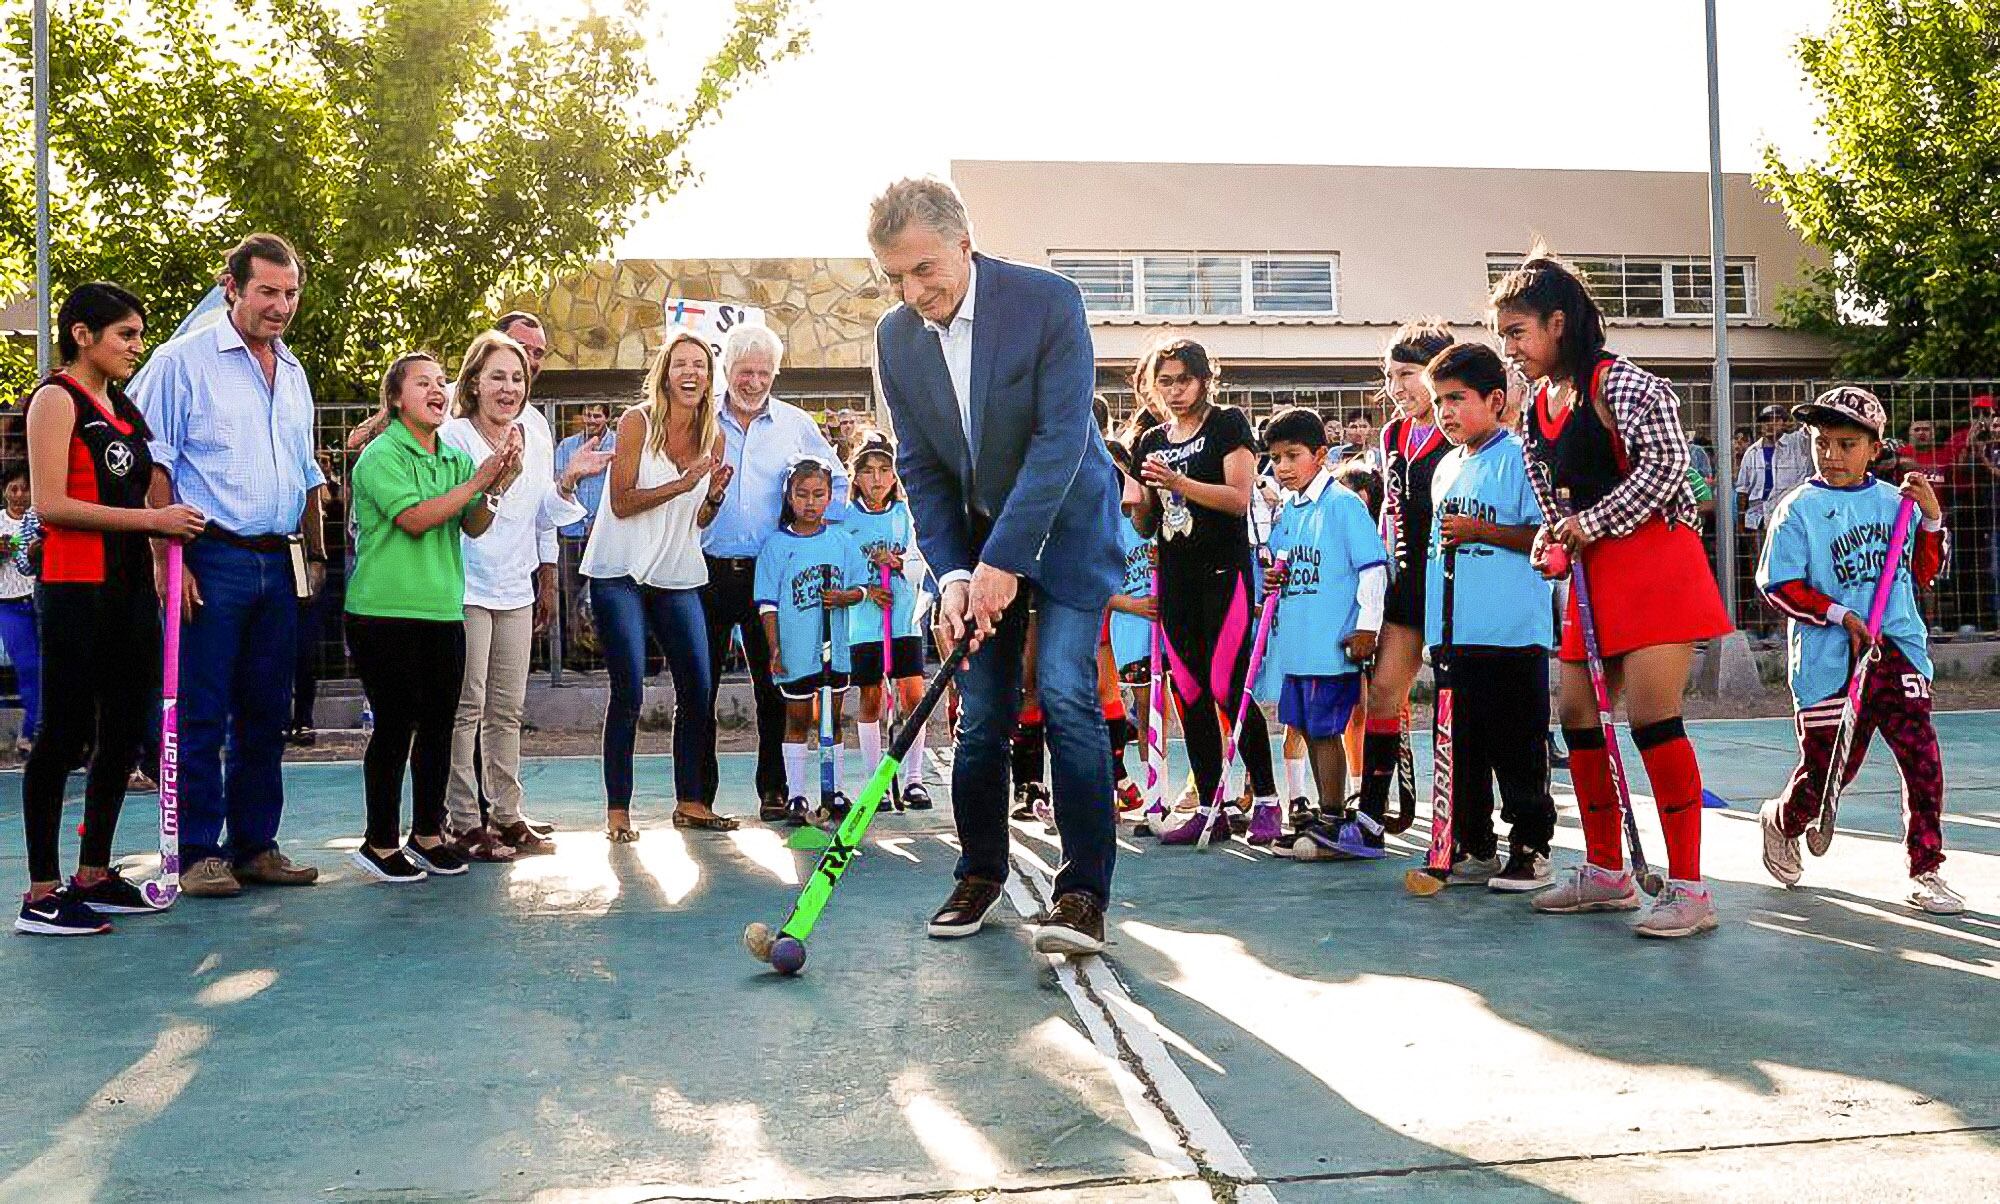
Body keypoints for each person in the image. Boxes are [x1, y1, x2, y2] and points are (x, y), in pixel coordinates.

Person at [870, 177, 1122, 956]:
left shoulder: (1049, 301)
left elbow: (1059, 439)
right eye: (895, 277)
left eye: (924, 270)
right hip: (976, 545)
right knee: (981, 714)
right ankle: (980, 872)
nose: (913, 293)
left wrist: (1007, 558)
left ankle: (1083, 895)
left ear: (964, 243)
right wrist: (952, 574)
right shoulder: (895, 338)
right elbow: (920, 464)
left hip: (1069, 527)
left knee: (1069, 694)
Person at [1495, 250, 1731, 938]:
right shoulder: (1536, 407)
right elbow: (1551, 500)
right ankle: (1606, 871)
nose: (1510, 349)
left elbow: (1669, 467)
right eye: (1503, 335)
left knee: (1655, 720)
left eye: (1518, 332)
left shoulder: (1621, 382)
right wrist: (1552, 538)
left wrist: (1587, 525)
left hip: (1656, 564)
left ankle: (1689, 888)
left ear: (1558, 322)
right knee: (1577, 718)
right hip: (1594, 575)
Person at [132, 234, 328, 898]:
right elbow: (154, 462)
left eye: (290, 293)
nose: (281, 305)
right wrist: (169, 559)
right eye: (267, 291)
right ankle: (196, 851)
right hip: (209, 558)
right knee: (200, 711)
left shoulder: (293, 372)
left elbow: (305, 472)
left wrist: (313, 555)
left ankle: (255, 846)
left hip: (278, 561)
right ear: (231, 287)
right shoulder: (180, 360)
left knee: (267, 713)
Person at [13, 283, 208, 935]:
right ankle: (42, 892)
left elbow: (147, 485)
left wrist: (162, 540)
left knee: (123, 731)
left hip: (126, 590)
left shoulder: (122, 408)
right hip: (75, 587)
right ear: (82, 335)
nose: (136, 346)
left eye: (139, 334)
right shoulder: (55, 399)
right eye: (125, 334)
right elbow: (51, 505)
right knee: (64, 732)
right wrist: (153, 521)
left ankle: (93, 873)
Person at [1755, 387, 1960, 914]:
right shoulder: (1798, 508)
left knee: (1922, 759)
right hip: (1829, 660)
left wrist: (1932, 520)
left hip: (1897, 648)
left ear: (1874, 448)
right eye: (1822, 442)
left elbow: (1924, 572)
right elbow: (1779, 584)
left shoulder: (1896, 504)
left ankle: (1926, 868)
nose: (1831, 455)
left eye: (1847, 445)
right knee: (1829, 773)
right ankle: (1783, 820)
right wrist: (1839, 615)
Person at [345, 352, 511, 883]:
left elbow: (473, 524)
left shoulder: (454, 459)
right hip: (383, 612)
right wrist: (479, 480)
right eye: (423, 383)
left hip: (442, 609)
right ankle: (379, 841)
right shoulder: (380, 456)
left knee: (439, 726)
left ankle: (427, 834)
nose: (438, 390)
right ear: (396, 399)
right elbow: (415, 519)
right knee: (396, 725)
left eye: (442, 382)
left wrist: (496, 487)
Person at [1128, 338, 1282, 846]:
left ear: (1204, 380)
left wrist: (1178, 482)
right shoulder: (1150, 440)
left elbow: (1238, 499)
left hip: (1223, 574)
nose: (1175, 391)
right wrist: (1139, 500)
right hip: (1177, 579)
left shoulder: (1227, 424)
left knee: (1227, 685)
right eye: (1165, 382)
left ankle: (1266, 798)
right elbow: (1147, 523)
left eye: (1184, 380)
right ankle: (1210, 806)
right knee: (1189, 691)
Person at [1414, 343, 1557, 890]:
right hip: (1456, 634)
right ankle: (1474, 844)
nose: (1445, 412)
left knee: (1517, 745)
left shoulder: (1522, 458)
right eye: (1438, 401)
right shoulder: (1445, 466)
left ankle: (1531, 847)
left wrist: (1483, 532)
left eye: (1457, 399)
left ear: (1496, 400)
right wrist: (1434, 628)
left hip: (1511, 633)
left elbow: (1546, 537)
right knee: (1462, 745)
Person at [581, 329, 733, 838]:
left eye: (700, 365)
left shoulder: (714, 436)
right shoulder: (636, 422)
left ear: (709, 379)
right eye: (681, 364)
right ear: (665, 374)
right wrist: (682, 483)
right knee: (629, 691)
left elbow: (697, 521)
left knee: (699, 688)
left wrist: (711, 497)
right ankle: (618, 812)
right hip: (619, 572)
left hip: (676, 572)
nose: (691, 372)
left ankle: (690, 802)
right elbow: (621, 502)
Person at [699, 322, 848, 822]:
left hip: (772, 577)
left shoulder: (795, 424)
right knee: (698, 688)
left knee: (776, 684)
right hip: (704, 571)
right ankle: (696, 797)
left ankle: (775, 789)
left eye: (764, 373)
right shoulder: (700, 419)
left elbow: (836, 483)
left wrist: (812, 534)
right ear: (727, 370)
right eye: (745, 372)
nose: (755, 382)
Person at [1253, 408, 1386, 858]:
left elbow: (1372, 569)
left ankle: (1333, 819)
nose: (1283, 467)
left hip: (1331, 644)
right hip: (1298, 642)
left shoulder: (1343, 505)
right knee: (1307, 727)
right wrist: (1274, 576)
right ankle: (1323, 813)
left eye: (1293, 455)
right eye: (1276, 458)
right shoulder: (1289, 509)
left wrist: (1367, 627)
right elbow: (1282, 561)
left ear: (1321, 454)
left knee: (1326, 729)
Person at [1354, 319, 1456, 842]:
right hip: (1406, 581)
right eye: (1390, 375)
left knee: (1455, 704)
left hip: (1455, 582)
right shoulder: (1392, 433)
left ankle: (1461, 822)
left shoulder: (1461, 428)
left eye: (1408, 374)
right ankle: (1371, 815)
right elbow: (1390, 512)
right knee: (1383, 694)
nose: (1396, 387)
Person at [756, 457, 866, 821]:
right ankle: (797, 795)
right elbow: (768, 604)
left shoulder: (842, 541)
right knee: (798, 719)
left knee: (831, 720)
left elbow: (863, 588)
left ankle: (833, 791)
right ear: (789, 497)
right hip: (797, 648)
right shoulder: (776, 545)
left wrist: (846, 597)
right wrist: (775, 646)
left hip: (835, 649)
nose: (810, 502)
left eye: (818, 494)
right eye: (802, 494)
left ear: (829, 497)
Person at [844, 432, 933, 810]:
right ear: (857, 477)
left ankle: (914, 779)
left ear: (895, 475)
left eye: (884, 470)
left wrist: (897, 563)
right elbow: (841, 569)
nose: (877, 478)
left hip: (903, 618)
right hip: (865, 622)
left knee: (912, 695)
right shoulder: (846, 519)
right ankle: (876, 782)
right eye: (868, 471)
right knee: (871, 696)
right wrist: (866, 590)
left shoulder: (906, 516)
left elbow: (920, 562)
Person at [553, 403, 617, 664]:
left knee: (604, 592)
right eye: (587, 415)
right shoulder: (567, 446)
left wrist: (599, 520)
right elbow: (558, 482)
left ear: (607, 418)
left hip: (605, 533)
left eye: (597, 415)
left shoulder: (618, 445)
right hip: (572, 530)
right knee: (571, 593)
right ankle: (575, 653)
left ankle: (605, 653)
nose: (591, 420)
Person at [0, 465, 41, 758]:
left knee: (51, 668)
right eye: (13, 488)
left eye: (25, 489)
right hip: (9, 605)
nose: (19, 495)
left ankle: (35, 732)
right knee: (28, 668)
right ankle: (32, 732)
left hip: (39, 601)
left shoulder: (39, 519)